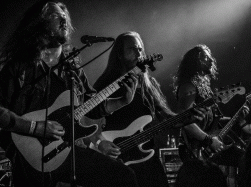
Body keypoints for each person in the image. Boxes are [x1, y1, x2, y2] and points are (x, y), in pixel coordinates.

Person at [0, 0, 141, 187]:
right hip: (29, 156)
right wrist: (33, 127)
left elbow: (89, 105)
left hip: (66, 150)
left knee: (123, 176)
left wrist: (121, 102)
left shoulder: (72, 69)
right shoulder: (21, 67)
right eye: (55, 16)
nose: (63, 20)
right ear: (39, 24)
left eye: (65, 17)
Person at [90, 31, 207, 187]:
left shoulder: (148, 84)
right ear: (119, 55)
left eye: (140, 49)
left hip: (145, 156)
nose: (139, 53)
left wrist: (187, 119)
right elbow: (89, 121)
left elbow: (167, 119)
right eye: (132, 49)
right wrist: (100, 144)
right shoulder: (106, 83)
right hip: (115, 157)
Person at [172, 44, 232, 187]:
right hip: (194, 149)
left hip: (204, 146)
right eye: (205, 57)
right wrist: (209, 140)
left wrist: (238, 117)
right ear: (194, 62)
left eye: (210, 56)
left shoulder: (204, 86)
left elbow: (210, 120)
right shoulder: (189, 86)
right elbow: (185, 121)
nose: (211, 60)